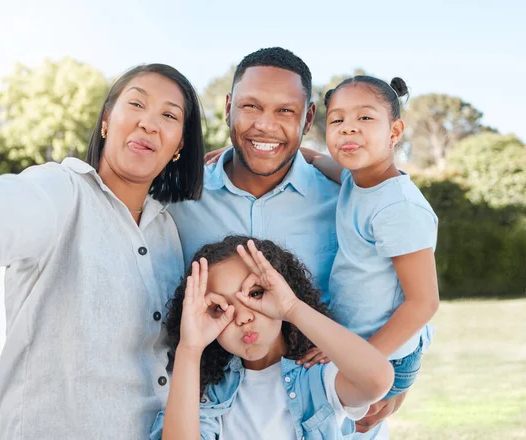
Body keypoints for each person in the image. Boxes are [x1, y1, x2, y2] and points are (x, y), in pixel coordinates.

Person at [0, 63, 205, 439]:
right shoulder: (61, 191)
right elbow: (3, 209)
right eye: (136, 105)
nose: (149, 123)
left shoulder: (168, 231)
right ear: (106, 120)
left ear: (179, 146)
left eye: (169, 115)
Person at [168, 47, 405, 437]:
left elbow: (403, 294)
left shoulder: (347, 202)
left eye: (285, 111)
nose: (265, 125)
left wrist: (399, 378)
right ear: (229, 107)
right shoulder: (180, 202)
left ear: (309, 117)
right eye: (251, 107)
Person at [151, 236, 394, 439]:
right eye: (220, 307)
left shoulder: (317, 375)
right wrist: (190, 349)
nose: (243, 317)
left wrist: (292, 309)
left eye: (255, 294)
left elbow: (377, 379)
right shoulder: (210, 391)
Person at [307, 75, 439, 399]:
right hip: (357, 349)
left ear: (394, 132)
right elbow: (312, 157)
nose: (348, 128)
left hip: (383, 356)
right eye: (337, 120)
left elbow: (423, 303)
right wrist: (236, 151)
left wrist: (359, 358)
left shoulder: (398, 207)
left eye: (365, 117)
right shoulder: (355, 179)